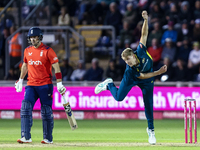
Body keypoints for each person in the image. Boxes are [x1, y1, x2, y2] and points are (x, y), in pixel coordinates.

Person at [94, 11, 167, 145]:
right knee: (118, 98)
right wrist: (157, 72)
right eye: (125, 61)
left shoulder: (140, 51)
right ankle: (109, 84)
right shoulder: (130, 70)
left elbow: (144, 34)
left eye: (128, 59)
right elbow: (142, 75)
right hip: (135, 77)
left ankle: (151, 130)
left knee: (148, 104)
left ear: (133, 55)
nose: (127, 62)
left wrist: (145, 20)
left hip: (147, 81)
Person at [15, 27, 66, 144]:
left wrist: (59, 83)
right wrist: (20, 80)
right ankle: (25, 137)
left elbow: (56, 67)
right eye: (31, 37)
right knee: (25, 107)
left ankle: (48, 138)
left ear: (40, 37)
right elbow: (25, 66)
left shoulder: (48, 50)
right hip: (31, 85)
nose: (33, 39)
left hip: (45, 85)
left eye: (35, 37)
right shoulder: (27, 50)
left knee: (46, 111)